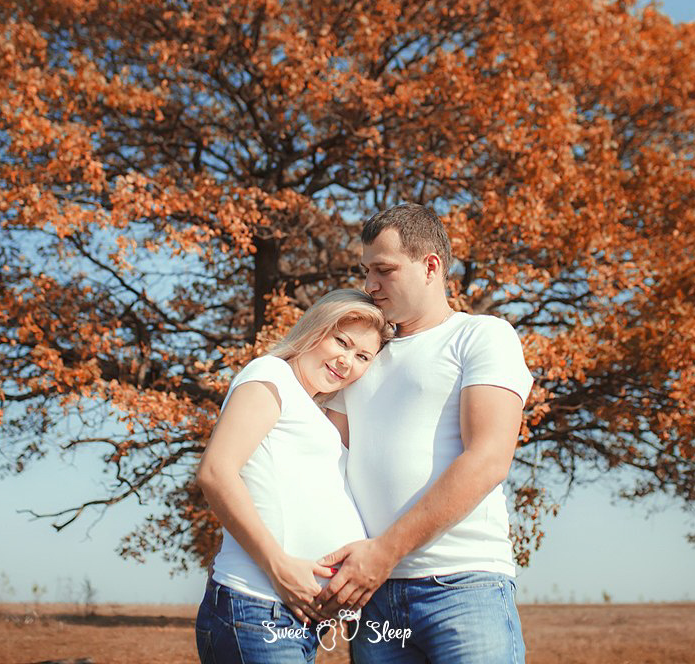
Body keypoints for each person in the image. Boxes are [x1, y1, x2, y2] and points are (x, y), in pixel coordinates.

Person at [321, 203, 534, 663]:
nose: (369, 285)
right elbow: (322, 458)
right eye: (365, 271)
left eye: (384, 270)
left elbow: (488, 459)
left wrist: (384, 552)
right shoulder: (359, 356)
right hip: (372, 596)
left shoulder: (481, 336)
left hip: (462, 585)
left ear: (430, 266)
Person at [194, 288, 394, 664]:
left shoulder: (312, 407)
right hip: (256, 605)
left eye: (363, 356)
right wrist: (278, 565)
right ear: (316, 328)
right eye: (342, 341)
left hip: (288, 618)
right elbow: (215, 471)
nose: (346, 361)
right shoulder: (271, 374)